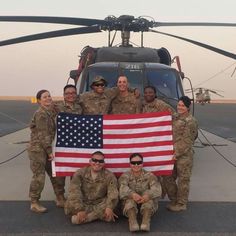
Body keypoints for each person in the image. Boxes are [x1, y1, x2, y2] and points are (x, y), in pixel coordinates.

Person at [28, 89, 65, 213]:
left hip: (48, 147)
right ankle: (34, 202)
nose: (48, 98)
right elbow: (43, 135)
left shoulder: (50, 112)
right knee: (39, 176)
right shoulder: (41, 114)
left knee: (56, 174)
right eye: (44, 97)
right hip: (38, 149)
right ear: (39, 101)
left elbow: (61, 108)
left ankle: (60, 198)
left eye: (49, 96)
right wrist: (50, 152)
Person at [163, 96, 198, 212]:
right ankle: (174, 200)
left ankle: (181, 203)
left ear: (188, 107)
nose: (180, 107)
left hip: (184, 156)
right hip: (172, 154)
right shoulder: (176, 117)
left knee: (183, 180)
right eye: (179, 105)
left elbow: (187, 141)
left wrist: (176, 153)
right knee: (167, 177)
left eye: (183, 106)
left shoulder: (191, 121)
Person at [64, 151, 119, 224]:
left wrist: (109, 207)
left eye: (100, 161)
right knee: (69, 204)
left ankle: (86, 218)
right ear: (90, 161)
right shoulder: (80, 173)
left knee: (115, 205)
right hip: (83, 203)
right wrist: (79, 209)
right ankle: (98, 215)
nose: (97, 163)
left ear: (103, 163)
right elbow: (74, 191)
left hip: (99, 203)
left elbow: (113, 193)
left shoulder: (109, 176)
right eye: (95, 160)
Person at [119, 153, 162, 232]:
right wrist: (132, 194)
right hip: (131, 200)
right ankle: (132, 221)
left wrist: (147, 195)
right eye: (133, 163)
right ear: (130, 164)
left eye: (139, 163)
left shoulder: (150, 175)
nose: (136, 165)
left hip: (145, 200)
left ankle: (146, 221)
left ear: (142, 163)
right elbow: (122, 188)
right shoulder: (125, 176)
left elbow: (157, 189)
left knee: (149, 201)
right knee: (129, 201)